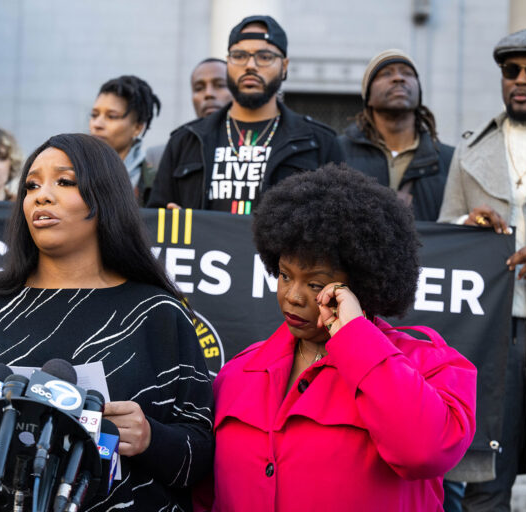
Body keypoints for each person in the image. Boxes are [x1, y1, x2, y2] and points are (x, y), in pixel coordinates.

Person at [0, 133, 214, 511]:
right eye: (31, 185)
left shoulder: (159, 314)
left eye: (64, 182)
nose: (41, 195)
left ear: (105, 197)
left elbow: (201, 452)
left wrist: (151, 438)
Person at [197, 164, 477, 510]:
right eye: (285, 276)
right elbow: (207, 493)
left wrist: (355, 335)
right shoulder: (240, 371)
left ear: (359, 286)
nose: (293, 296)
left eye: (315, 284)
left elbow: (423, 452)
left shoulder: (429, 365)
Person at [438, 26, 526, 510]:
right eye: (511, 71)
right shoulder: (471, 149)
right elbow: (446, 228)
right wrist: (469, 224)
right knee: (485, 479)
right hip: (489, 332)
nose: (520, 80)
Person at [147, 15, 343, 212]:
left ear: (284, 67)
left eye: (265, 57)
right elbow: (155, 220)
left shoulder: (318, 142)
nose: (250, 65)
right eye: (239, 56)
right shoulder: (186, 141)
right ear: (228, 64)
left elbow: (341, 221)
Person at [338, 49, 453, 221]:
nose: (398, 78)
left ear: (419, 93)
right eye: (385, 74)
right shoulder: (337, 152)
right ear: (368, 97)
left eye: (408, 73)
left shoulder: (449, 160)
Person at [145, 58, 233, 170]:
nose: (208, 94)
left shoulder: (254, 149)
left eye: (220, 85)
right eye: (199, 88)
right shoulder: (160, 157)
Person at [89, 75, 161, 205]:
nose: (97, 124)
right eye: (94, 115)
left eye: (111, 116)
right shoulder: (73, 172)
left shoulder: (155, 182)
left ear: (137, 127)